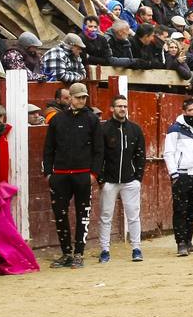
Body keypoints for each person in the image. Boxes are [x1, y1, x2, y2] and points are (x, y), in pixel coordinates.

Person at [42, 82, 99, 268]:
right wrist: (48, 173)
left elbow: (99, 150)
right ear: (70, 98)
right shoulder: (58, 120)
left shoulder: (92, 119)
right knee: (60, 214)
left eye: (84, 97)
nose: (82, 100)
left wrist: (94, 173)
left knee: (83, 214)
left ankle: (79, 254)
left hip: (83, 175)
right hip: (60, 175)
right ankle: (66, 253)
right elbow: (48, 148)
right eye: (79, 97)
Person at [93, 94, 147, 263]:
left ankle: (136, 248)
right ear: (112, 109)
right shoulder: (104, 129)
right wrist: (101, 179)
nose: (122, 109)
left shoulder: (135, 129)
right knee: (106, 215)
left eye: (125, 106)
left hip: (130, 180)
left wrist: (138, 177)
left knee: (133, 215)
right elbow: (98, 155)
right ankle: (104, 250)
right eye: (119, 106)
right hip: (109, 180)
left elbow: (140, 155)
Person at [164, 96, 193, 257]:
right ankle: (181, 243)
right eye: (190, 110)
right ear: (184, 112)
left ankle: (188, 241)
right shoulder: (174, 129)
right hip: (182, 175)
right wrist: (174, 174)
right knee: (180, 210)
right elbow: (168, 153)